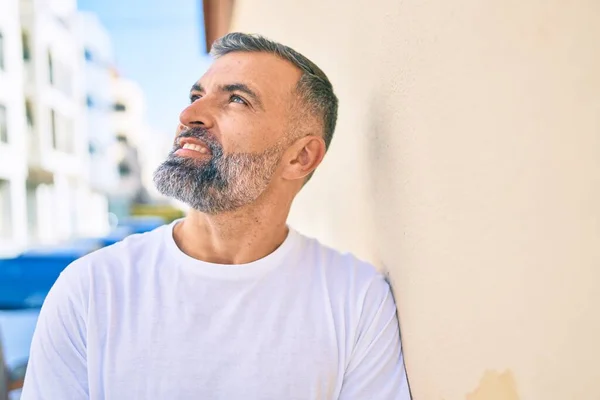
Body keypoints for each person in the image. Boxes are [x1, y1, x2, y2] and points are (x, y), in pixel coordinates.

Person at [21, 33, 411, 400]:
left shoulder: (356, 300)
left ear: (300, 157)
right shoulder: (91, 289)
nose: (189, 113)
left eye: (237, 99)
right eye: (196, 94)